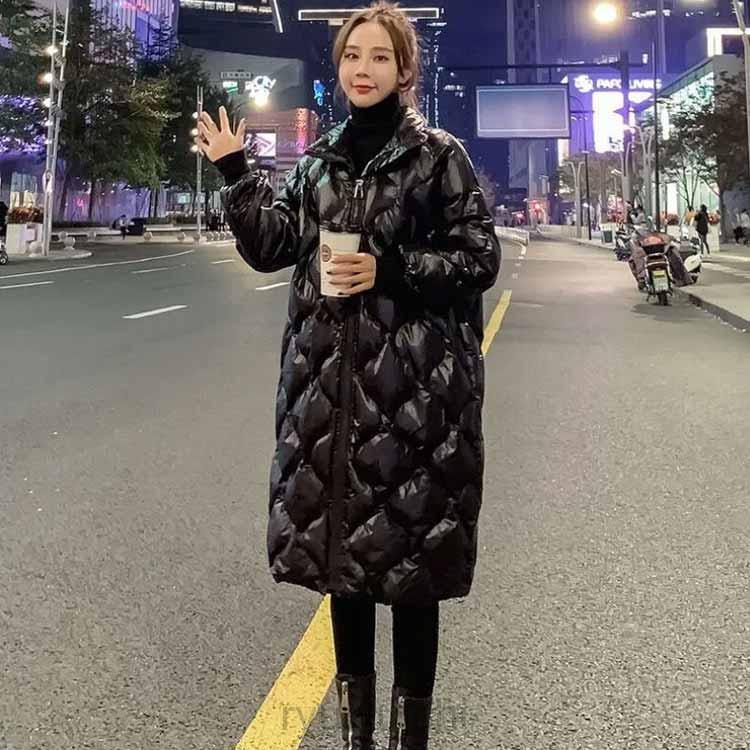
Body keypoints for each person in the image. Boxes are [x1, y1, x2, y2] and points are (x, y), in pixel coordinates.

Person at [195, 3, 501, 748]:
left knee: (414, 577)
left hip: (418, 403)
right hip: (329, 397)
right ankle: (358, 738)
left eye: (379, 57)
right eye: (352, 56)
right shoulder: (319, 161)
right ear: (339, 68)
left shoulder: (439, 157)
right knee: (345, 570)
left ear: (405, 69)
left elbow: (478, 257)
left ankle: (409, 738)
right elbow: (272, 246)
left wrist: (388, 268)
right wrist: (235, 170)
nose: (364, 69)